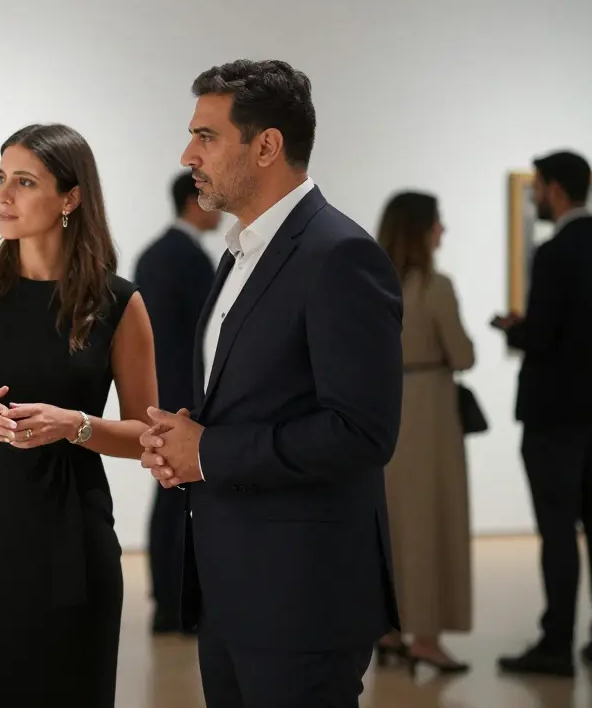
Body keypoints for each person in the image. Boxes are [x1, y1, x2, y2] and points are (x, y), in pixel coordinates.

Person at [141, 59, 404, 707]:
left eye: (206, 136)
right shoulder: (239, 254)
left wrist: (206, 452)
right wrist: (181, 444)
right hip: (232, 591)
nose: (187, 154)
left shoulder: (339, 255)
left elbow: (361, 432)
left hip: (302, 599)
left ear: (266, 146)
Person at [0, 123, 158, 707]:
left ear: (70, 197)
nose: (4, 195)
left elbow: (149, 436)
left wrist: (73, 424)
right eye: (1, 179)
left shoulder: (118, 303)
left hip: (70, 536)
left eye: (24, 182)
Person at [493, 150, 592, 678]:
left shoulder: (556, 252)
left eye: (538, 187)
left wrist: (511, 327)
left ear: (556, 189)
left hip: (555, 417)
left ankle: (556, 643)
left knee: (558, 533)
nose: (536, 195)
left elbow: (544, 335)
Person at [374, 191, 475, 675]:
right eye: (438, 222)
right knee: (432, 522)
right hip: (430, 410)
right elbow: (464, 354)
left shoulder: (370, 285)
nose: (443, 231)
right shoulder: (435, 287)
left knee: (391, 524)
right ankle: (427, 639)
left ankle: (389, 631)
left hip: (383, 409)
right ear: (422, 229)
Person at [134, 170, 220, 635]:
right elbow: (207, 339)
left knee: (168, 497)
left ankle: (169, 602)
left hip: (162, 393)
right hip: (187, 397)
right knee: (179, 500)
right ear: (194, 200)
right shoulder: (189, 259)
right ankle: (179, 605)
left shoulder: (153, 255)